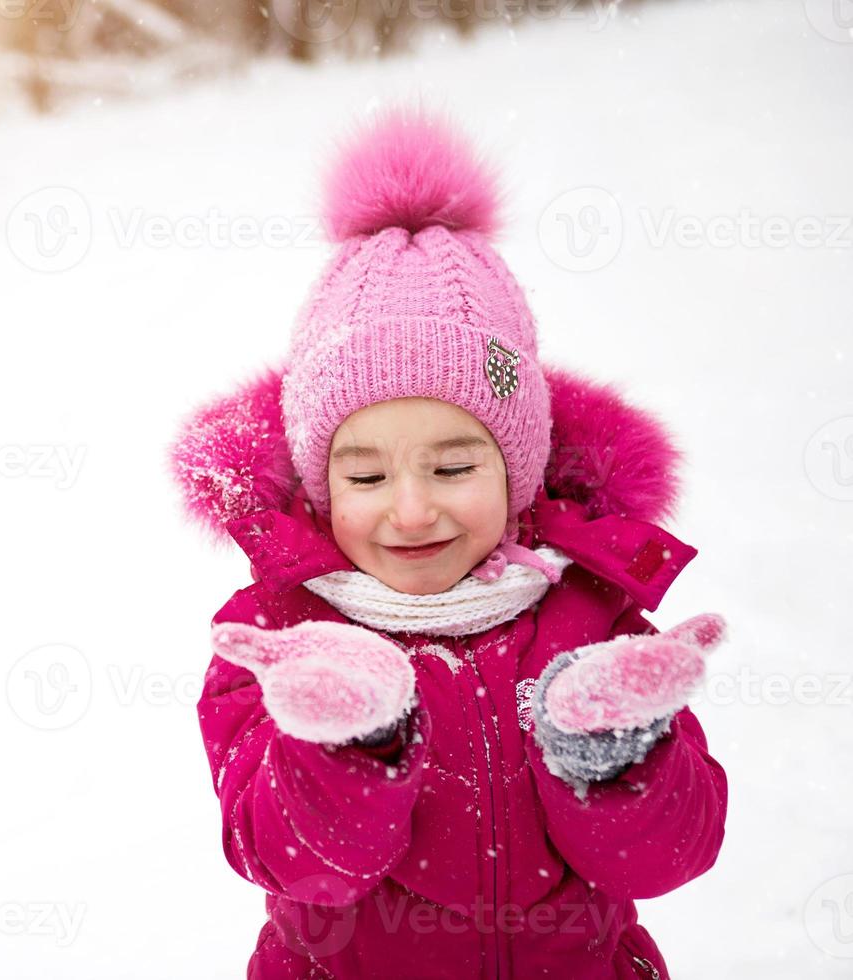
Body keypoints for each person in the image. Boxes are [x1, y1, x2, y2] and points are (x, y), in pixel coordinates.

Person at [168, 105, 728, 979]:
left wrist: (613, 752)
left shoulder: (589, 618)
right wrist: (348, 740)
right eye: (364, 478)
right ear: (320, 486)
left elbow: (668, 859)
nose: (411, 511)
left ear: (522, 466)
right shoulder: (280, 639)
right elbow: (289, 862)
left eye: (454, 467)